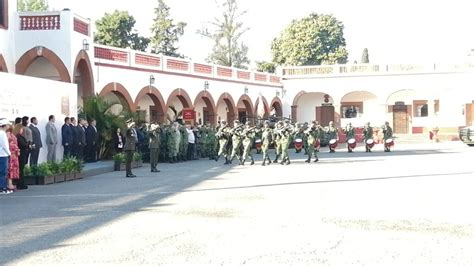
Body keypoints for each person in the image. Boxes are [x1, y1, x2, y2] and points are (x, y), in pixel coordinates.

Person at [14, 125, 29, 190]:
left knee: (21, 169)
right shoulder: (18, 137)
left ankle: (21, 183)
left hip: (22, 154)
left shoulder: (20, 136)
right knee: (20, 169)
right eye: (21, 129)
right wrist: (28, 145)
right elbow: (23, 145)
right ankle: (20, 184)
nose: (22, 130)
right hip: (21, 154)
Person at [0, 118, 12, 194]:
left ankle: (2, 187)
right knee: (3, 172)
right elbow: (5, 145)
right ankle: (2, 188)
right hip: (3, 155)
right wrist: (9, 153)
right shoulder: (2, 133)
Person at [6, 124, 20, 191]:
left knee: (13, 169)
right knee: (10, 169)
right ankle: (9, 184)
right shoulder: (7, 134)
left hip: (14, 154)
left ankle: (11, 183)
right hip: (10, 154)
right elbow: (10, 145)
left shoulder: (11, 134)